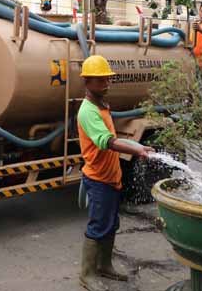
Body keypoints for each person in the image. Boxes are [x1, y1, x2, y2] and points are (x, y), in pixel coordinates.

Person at [77, 55, 154, 291]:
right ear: (87, 82)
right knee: (98, 225)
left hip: (111, 177)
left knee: (111, 223)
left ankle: (105, 266)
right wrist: (137, 148)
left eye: (107, 79)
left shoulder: (102, 105)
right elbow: (107, 141)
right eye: (100, 80)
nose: (106, 84)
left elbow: (113, 138)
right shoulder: (88, 111)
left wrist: (135, 147)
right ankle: (87, 274)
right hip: (99, 179)